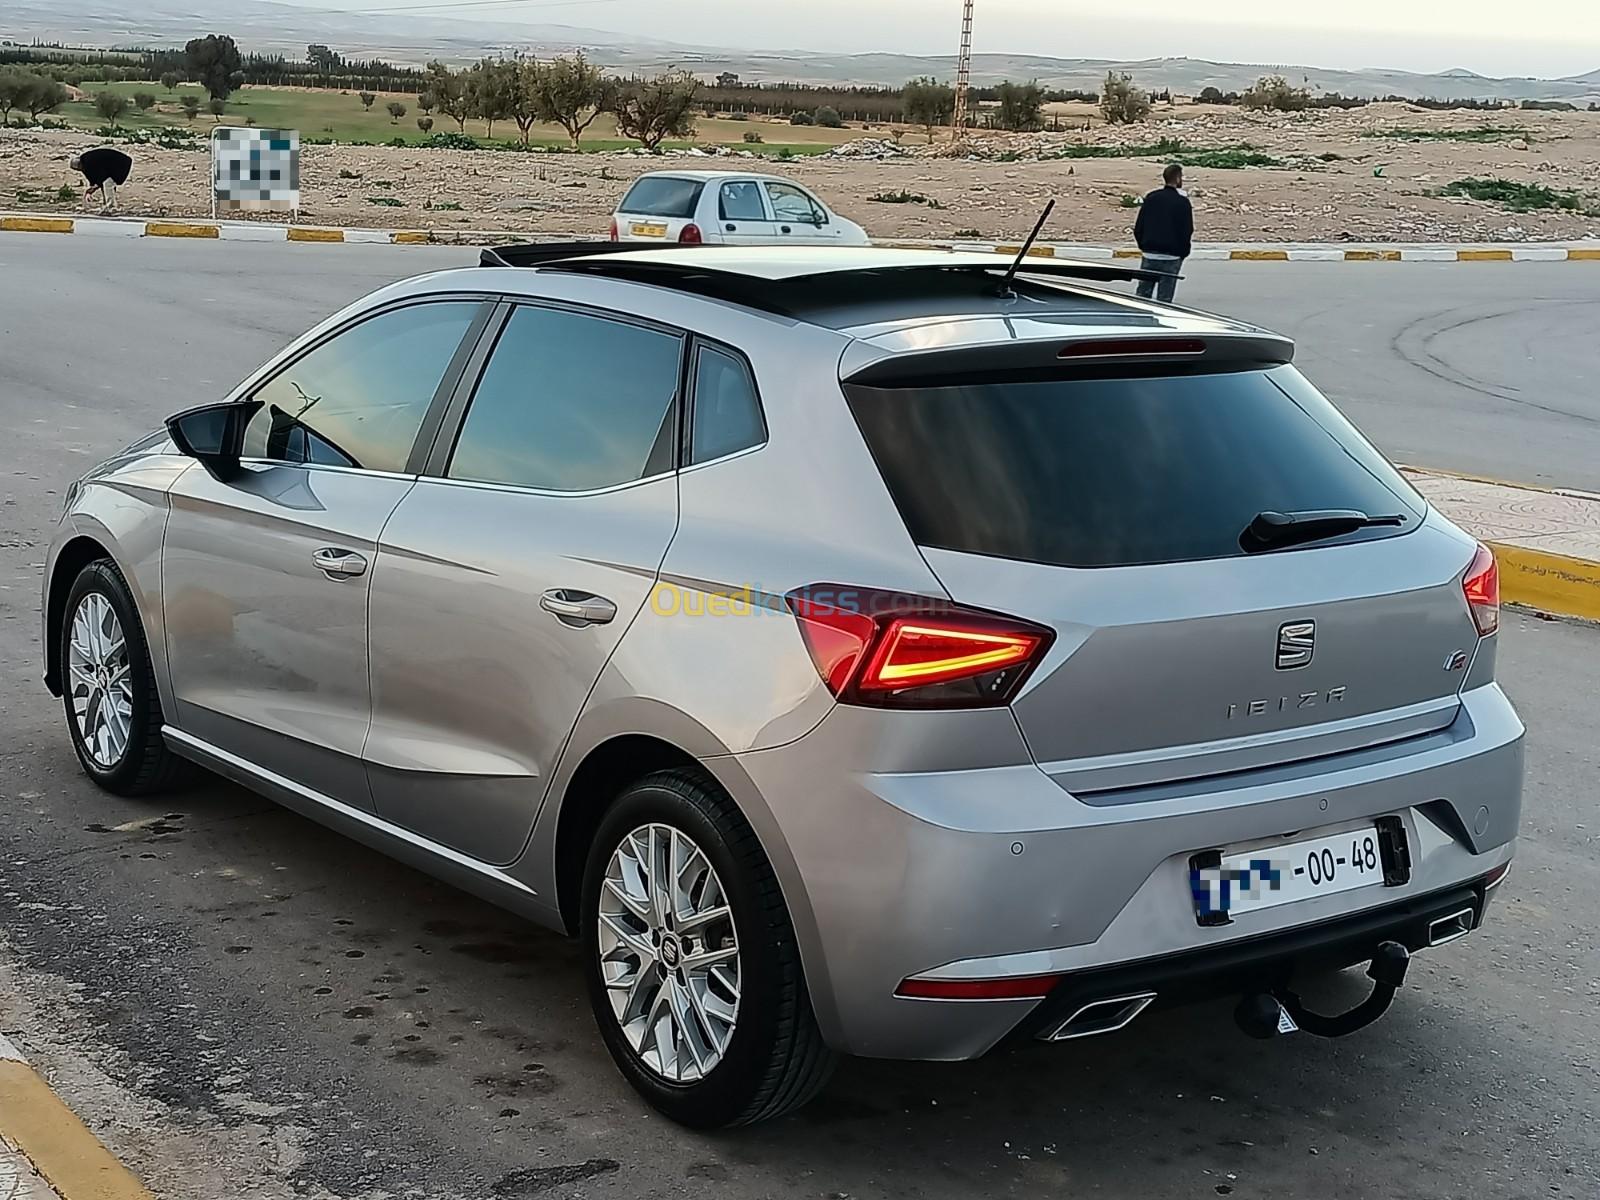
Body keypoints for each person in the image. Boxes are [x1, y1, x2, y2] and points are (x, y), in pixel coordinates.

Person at [1132, 163, 1193, 304]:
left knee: (1142, 296)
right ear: (1177, 178)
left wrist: (1143, 246)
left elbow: (1139, 226)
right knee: (1164, 300)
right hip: (1172, 257)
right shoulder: (1182, 202)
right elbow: (1187, 231)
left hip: (1149, 253)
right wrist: (1183, 253)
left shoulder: (1151, 198)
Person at [69, 148, 133, 214]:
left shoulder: (89, 162)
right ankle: (107, 204)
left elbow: (102, 175)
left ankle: (111, 206)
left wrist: (94, 187)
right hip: (110, 166)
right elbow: (92, 178)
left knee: (107, 183)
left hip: (121, 164)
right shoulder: (85, 162)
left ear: (79, 165)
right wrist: (92, 188)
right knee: (104, 183)